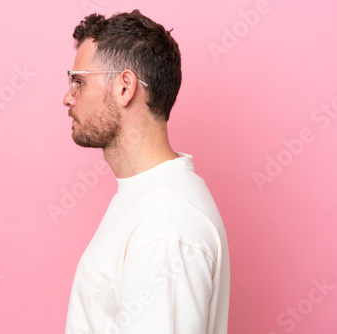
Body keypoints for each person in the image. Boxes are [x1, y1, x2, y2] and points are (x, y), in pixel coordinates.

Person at [62, 9, 230, 334]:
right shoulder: (146, 198)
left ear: (125, 87)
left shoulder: (166, 223)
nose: (68, 98)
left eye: (79, 82)